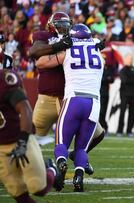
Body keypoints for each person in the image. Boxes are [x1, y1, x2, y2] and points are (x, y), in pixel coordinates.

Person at [29, 11, 105, 175]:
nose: (63, 28)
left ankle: (77, 156)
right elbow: (35, 54)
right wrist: (59, 45)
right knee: (30, 136)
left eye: (65, 25)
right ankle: (24, 168)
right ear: (50, 25)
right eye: (59, 25)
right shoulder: (43, 36)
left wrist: (93, 48)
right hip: (48, 98)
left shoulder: (75, 38)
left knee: (98, 134)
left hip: (71, 98)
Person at [0, 69, 62, 202]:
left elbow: (24, 108)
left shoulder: (4, 79)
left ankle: (51, 169)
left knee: (39, 189)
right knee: (19, 195)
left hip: (19, 139)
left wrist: (22, 141)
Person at [116, 54, 134, 137]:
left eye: (131, 59)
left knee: (132, 113)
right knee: (122, 112)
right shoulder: (123, 70)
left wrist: (132, 79)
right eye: (128, 59)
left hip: (133, 94)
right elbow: (125, 80)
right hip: (124, 94)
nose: (130, 60)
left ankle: (129, 130)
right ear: (125, 60)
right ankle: (119, 131)